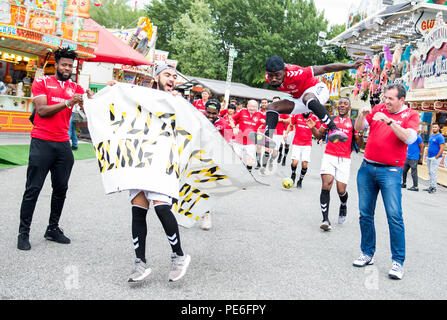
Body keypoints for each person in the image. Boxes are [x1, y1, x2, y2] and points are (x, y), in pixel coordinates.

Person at [17, 47, 90, 251]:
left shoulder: (76, 88)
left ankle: (52, 229)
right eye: (64, 64)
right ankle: (23, 233)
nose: (67, 68)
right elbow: (41, 110)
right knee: (33, 189)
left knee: (61, 189)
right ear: (56, 64)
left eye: (70, 65)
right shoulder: (42, 82)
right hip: (42, 142)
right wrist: (68, 103)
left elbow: (90, 109)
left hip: (62, 145)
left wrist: (92, 99)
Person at [128, 64, 190, 283]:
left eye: (174, 76)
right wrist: (110, 90)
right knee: (138, 210)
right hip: (140, 159)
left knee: (162, 208)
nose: (171, 78)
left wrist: (177, 103)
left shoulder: (178, 102)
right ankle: (139, 263)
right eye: (167, 74)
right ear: (156, 77)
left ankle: (179, 256)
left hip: (163, 162)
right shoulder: (141, 95)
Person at [353, 83, 419, 280]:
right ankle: (367, 253)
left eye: (391, 99)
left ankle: (398, 262)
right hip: (367, 167)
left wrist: (390, 122)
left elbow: (409, 138)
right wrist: (362, 116)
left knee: (394, 216)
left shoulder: (411, 115)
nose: (386, 101)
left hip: (391, 171)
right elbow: (359, 130)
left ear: (401, 100)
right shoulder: (378, 108)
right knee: (365, 214)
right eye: (385, 97)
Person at [263, 56, 369, 145]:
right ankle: (267, 138)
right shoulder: (268, 77)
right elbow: (273, 77)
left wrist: (351, 66)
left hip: (317, 90)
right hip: (298, 98)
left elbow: (326, 68)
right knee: (272, 107)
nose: (273, 79)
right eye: (271, 76)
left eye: (277, 75)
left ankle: (335, 130)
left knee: (307, 98)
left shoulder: (297, 73)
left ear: (284, 70)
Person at [307, 97, 363, 231]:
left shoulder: (354, 123)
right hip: (329, 156)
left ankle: (343, 204)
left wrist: (359, 135)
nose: (342, 106)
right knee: (326, 184)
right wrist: (312, 128)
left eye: (345, 104)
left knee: (341, 190)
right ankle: (325, 219)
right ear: (337, 107)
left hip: (344, 159)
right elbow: (319, 135)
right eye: (340, 104)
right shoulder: (330, 119)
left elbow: (359, 146)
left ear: (349, 108)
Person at [200, 99, 233, 231]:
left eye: (214, 113)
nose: (211, 116)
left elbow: (228, 143)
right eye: (208, 112)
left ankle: (206, 214)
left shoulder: (223, 124)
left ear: (219, 112)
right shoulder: (197, 118)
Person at [285, 112, 320, 188]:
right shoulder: (297, 115)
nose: (305, 111)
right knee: (295, 162)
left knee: (304, 164)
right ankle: (293, 173)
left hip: (307, 144)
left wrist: (319, 139)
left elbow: (319, 131)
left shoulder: (314, 118)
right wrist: (286, 134)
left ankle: (300, 180)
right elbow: (290, 125)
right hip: (297, 142)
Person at [231, 100, 263, 172]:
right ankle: (236, 172)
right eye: (250, 106)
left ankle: (249, 173)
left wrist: (261, 129)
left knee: (250, 160)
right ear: (247, 106)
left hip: (251, 141)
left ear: (257, 107)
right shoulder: (242, 112)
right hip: (239, 140)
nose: (252, 108)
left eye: (254, 107)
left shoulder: (260, 114)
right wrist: (234, 128)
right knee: (237, 158)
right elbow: (231, 119)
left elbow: (267, 124)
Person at [424, 123, 445, 193]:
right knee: (430, 172)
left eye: (436, 127)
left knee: (433, 172)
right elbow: (429, 146)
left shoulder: (440, 137)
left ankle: (434, 187)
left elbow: (442, 148)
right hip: (429, 157)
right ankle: (430, 186)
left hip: (435, 157)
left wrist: (436, 157)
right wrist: (426, 155)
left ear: (438, 128)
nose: (434, 128)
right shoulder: (431, 136)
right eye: (433, 127)